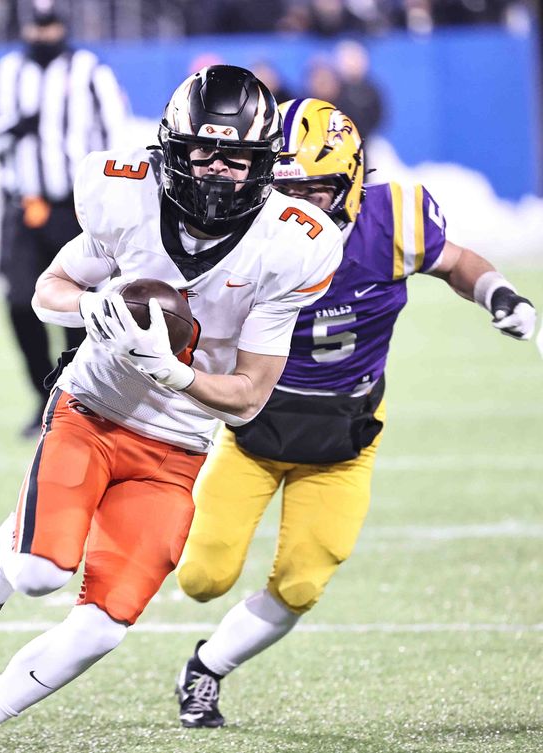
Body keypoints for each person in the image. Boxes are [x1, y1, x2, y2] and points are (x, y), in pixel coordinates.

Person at [0, 66, 343, 753]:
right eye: (202, 152)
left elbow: (247, 400)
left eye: (235, 156)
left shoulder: (294, 244)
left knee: (102, 624)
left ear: (264, 165)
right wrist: (94, 306)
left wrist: (172, 371)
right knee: (38, 574)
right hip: (92, 408)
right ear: (170, 150)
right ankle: (9, 547)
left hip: (175, 449)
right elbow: (49, 288)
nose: (215, 171)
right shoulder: (124, 192)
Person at [173, 98, 537, 728]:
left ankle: (205, 668)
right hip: (255, 425)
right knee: (201, 578)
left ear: (350, 183)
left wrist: (497, 292)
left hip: (345, 435)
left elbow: (455, 261)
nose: (298, 206)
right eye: (283, 187)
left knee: (301, 586)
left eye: (314, 189)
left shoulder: (393, 217)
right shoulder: (241, 229)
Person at [0, 7, 127, 438]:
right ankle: (44, 396)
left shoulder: (90, 70)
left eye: (50, 25)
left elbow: (117, 135)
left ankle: (79, 398)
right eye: (37, 25)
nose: (43, 33)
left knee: (83, 307)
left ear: (63, 26)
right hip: (23, 206)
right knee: (20, 302)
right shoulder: (6, 71)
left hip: (75, 209)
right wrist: (13, 125)